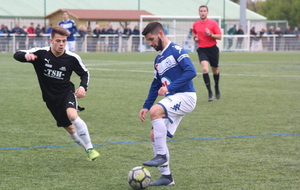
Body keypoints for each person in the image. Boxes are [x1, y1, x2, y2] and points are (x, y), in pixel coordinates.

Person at [13, 26, 100, 161]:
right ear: (51, 41)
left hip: (66, 92)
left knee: (72, 115)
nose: (61, 44)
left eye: (64, 41)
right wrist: (26, 56)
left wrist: (83, 87)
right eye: (58, 41)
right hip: (50, 98)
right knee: (70, 130)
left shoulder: (72, 58)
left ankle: (90, 148)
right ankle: (86, 149)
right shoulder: (41, 53)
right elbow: (17, 54)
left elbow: (84, 73)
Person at [140, 21, 197, 186]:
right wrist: (145, 105)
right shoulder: (158, 60)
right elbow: (155, 85)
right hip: (174, 99)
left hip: (186, 96)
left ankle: (162, 156)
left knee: (156, 111)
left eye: (151, 39)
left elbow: (191, 71)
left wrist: (170, 88)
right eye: (148, 41)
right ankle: (167, 177)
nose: (150, 43)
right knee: (154, 135)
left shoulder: (176, 50)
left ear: (161, 34)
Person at [192, 5, 222, 102]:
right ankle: (209, 92)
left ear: (207, 12)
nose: (203, 13)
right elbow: (195, 35)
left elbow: (220, 37)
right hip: (202, 49)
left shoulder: (213, 23)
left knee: (215, 71)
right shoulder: (195, 24)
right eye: (201, 11)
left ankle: (216, 87)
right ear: (199, 13)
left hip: (212, 49)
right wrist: (195, 39)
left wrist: (210, 34)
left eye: (204, 11)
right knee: (205, 69)